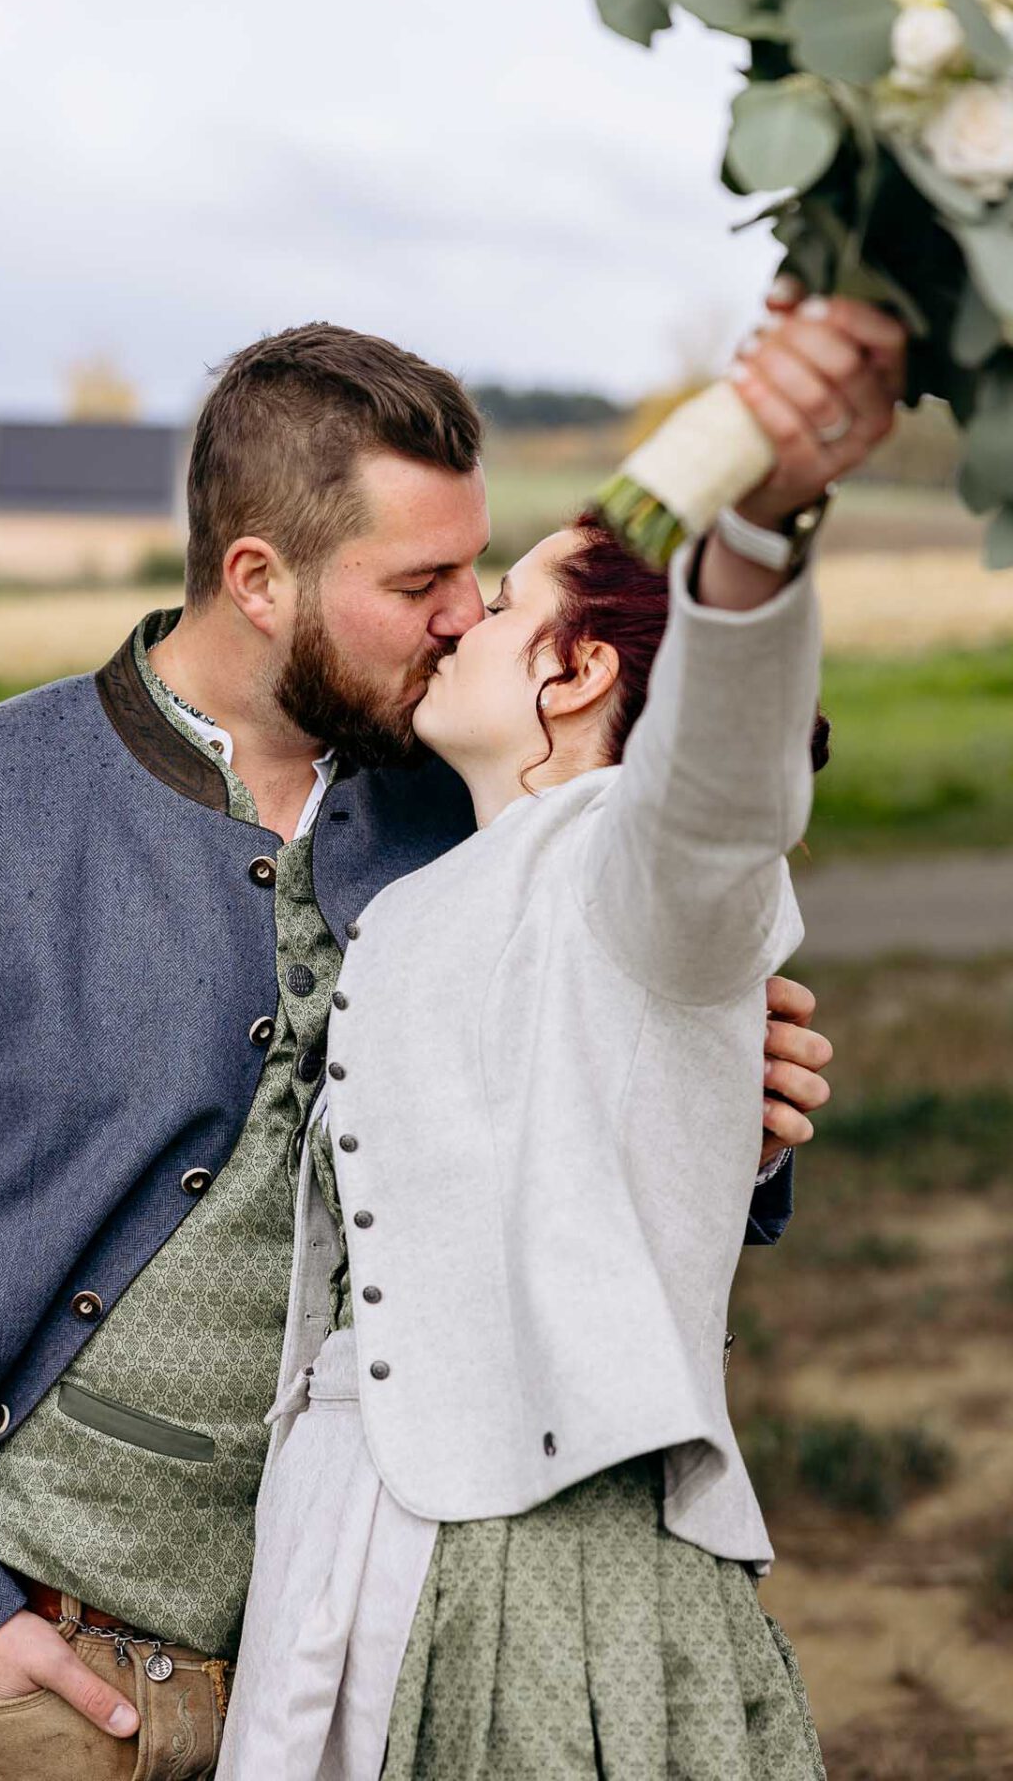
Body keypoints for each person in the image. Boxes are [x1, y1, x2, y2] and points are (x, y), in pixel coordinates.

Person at [0, 315, 839, 1781]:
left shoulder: (467, 799)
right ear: (259, 578)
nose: (460, 617)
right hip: (75, 1671)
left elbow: (611, 1064)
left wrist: (738, 1118)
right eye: (420, 582)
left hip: (401, 1674)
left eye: (475, 576)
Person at [218, 295, 907, 1780]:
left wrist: (761, 535)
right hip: (343, 1543)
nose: (462, 615)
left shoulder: (641, 874)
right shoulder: (421, 884)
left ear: (582, 674)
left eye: (510, 599)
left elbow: (723, 789)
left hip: (550, 1562)